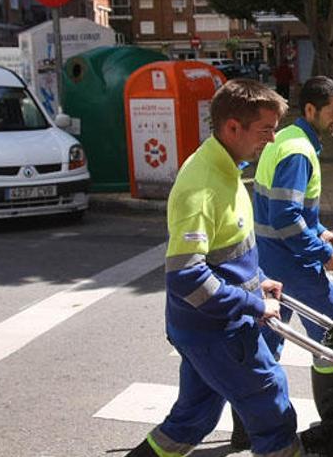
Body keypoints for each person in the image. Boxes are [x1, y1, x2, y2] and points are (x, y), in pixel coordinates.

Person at [125, 79, 300, 457]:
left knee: (192, 419)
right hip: (218, 332)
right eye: (265, 130)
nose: (271, 140)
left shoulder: (226, 166)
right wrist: (254, 305)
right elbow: (188, 277)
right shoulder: (202, 185)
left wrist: (259, 283)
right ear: (232, 127)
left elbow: (227, 254)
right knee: (273, 410)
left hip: (202, 329)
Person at [253, 76, 333, 453]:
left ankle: (248, 425)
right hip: (292, 261)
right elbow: (286, 218)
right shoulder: (298, 152)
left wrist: (321, 231)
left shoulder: (285, 140)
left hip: (270, 257)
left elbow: (288, 212)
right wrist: (323, 253)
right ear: (310, 110)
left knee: (265, 339)